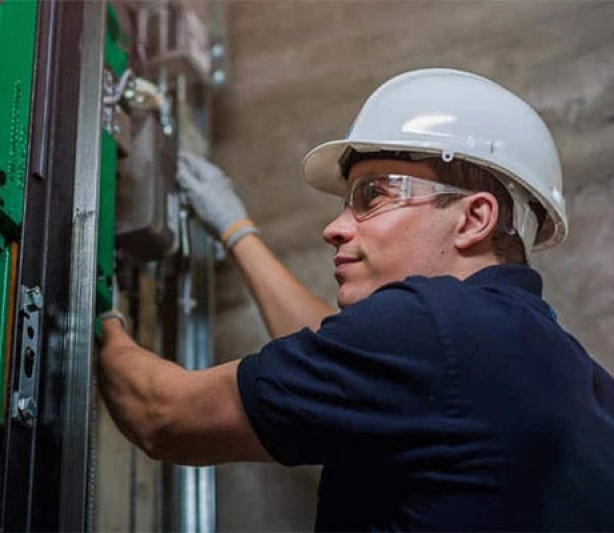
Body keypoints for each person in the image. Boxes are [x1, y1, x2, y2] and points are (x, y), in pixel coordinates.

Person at [97, 68, 614, 530]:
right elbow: (344, 363)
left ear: (474, 219)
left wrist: (98, 310)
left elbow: (161, 416)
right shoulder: (564, 372)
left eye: (373, 196)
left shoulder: (435, 331)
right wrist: (238, 231)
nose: (333, 228)